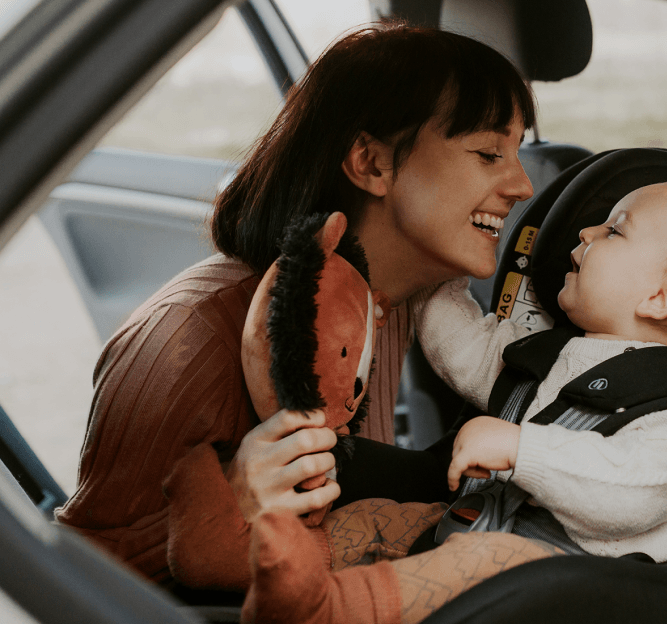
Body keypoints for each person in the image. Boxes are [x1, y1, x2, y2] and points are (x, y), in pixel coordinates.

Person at [55, 21, 536, 586]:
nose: (522, 184)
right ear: (371, 163)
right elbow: (72, 572)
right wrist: (223, 505)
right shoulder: (192, 332)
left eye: (517, 152)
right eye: (488, 153)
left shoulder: (389, 299)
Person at [240, 182, 667, 624]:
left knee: (481, 560)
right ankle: (251, 562)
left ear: (661, 296)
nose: (586, 232)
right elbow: (462, 345)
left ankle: (331, 611)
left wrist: (524, 449)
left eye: (614, 232)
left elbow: (636, 490)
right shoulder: (552, 352)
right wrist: (438, 271)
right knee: (379, 517)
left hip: (579, 584)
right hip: (487, 532)